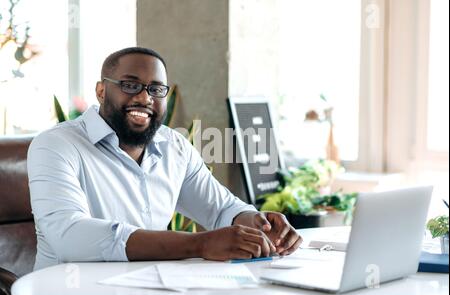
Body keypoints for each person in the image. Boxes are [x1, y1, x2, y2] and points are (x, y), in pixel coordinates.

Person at [27, 47, 302, 270]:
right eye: (130, 85)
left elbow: (220, 209)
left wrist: (257, 223)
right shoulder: (56, 145)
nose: (145, 97)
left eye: (156, 89)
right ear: (101, 91)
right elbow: (69, 235)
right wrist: (199, 244)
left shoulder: (174, 146)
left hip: (150, 287)